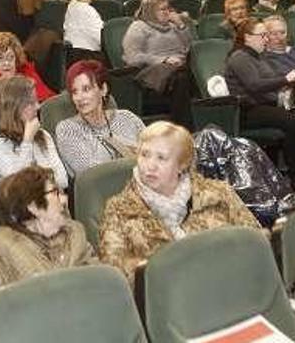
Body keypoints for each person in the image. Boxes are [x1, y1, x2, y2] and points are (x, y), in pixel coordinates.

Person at [98, 121, 260, 283]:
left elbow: (256, 242)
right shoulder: (119, 210)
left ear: (182, 165)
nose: (150, 165)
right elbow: (116, 278)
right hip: (165, 302)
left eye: (161, 158)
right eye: (144, 155)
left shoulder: (218, 193)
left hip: (230, 287)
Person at [0, 166, 95, 286]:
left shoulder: (75, 233)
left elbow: (98, 279)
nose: (64, 199)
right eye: (55, 193)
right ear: (33, 206)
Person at [225, 18, 295, 182]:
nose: (266, 39)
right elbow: (254, 85)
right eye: (262, 35)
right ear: (247, 37)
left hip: (262, 106)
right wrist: (286, 79)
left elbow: (269, 83)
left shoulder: (258, 57)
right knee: (293, 120)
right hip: (246, 111)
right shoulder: (239, 56)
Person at [55, 60, 146, 178]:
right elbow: (93, 173)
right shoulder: (68, 129)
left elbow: (156, 152)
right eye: (74, 92)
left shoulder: (127, 117)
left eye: (86, 89)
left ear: (103, 89)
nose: (79, 98)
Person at [0, 76, 68, 187]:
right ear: (13, 107)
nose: (38, 106)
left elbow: (62, 180)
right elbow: (19, 183)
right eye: (31, 103)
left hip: (50, 201)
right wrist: (27, 141)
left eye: (37, 101)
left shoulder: (43, 135)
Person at [121, 0, 193, 126]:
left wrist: (181, 25)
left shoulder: (173, 26)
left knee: (195, 75)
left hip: (180, 69)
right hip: (153, 76)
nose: (167, 12)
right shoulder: (139, 27)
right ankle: (185, 131)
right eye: (162, 9)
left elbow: (190, 47)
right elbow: (132, 57)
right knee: (182, 77)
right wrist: (163, 59)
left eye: (168, 9)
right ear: (150, 11)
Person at [0, 31, 55, 102]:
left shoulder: (27, 73)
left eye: (11, 57)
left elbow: (48, 99)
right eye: (0, 58)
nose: (7, 63)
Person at [64, 0, 105, 64]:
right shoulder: (89, 11)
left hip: (71, 56)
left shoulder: (71, 5)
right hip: (89, 58)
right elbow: (102, 39)